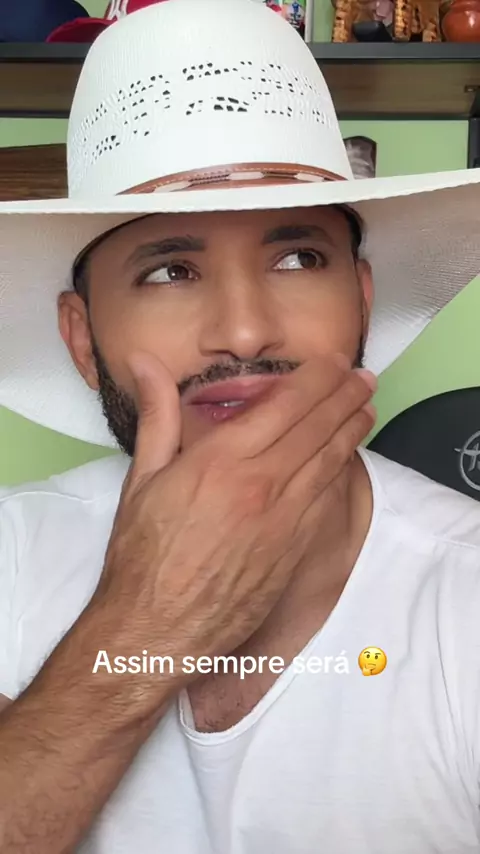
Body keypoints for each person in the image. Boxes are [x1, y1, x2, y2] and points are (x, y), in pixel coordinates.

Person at [1, 1, 480, 852]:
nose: (247, 331)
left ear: (362, 299)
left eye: (298, 258)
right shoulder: (10, 554)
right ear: (81, 337)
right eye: (169, 270)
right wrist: (146, 621)